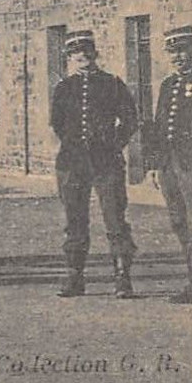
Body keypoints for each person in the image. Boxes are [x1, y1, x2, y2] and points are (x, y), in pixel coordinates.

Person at [52, 30, 140, 298]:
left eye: (87, 51)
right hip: (73, 162)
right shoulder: (63, 88)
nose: (83, 57)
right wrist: (74, 144)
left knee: (115, 219)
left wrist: (113, 144)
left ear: (95, 53)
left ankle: (122, 277)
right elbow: (57, 122)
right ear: (70, 58)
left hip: (106, 163)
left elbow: (129, 120)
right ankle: (75, 276)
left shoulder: (112, 84)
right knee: (75, 219)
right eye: (77, 54)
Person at [147, 25, 192, 303]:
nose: (178, 57)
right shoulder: (168, 85)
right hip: (170, 165)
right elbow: (159, 127)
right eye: (173, 52)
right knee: (179, 221)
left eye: (182, 50)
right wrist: (156, 165)